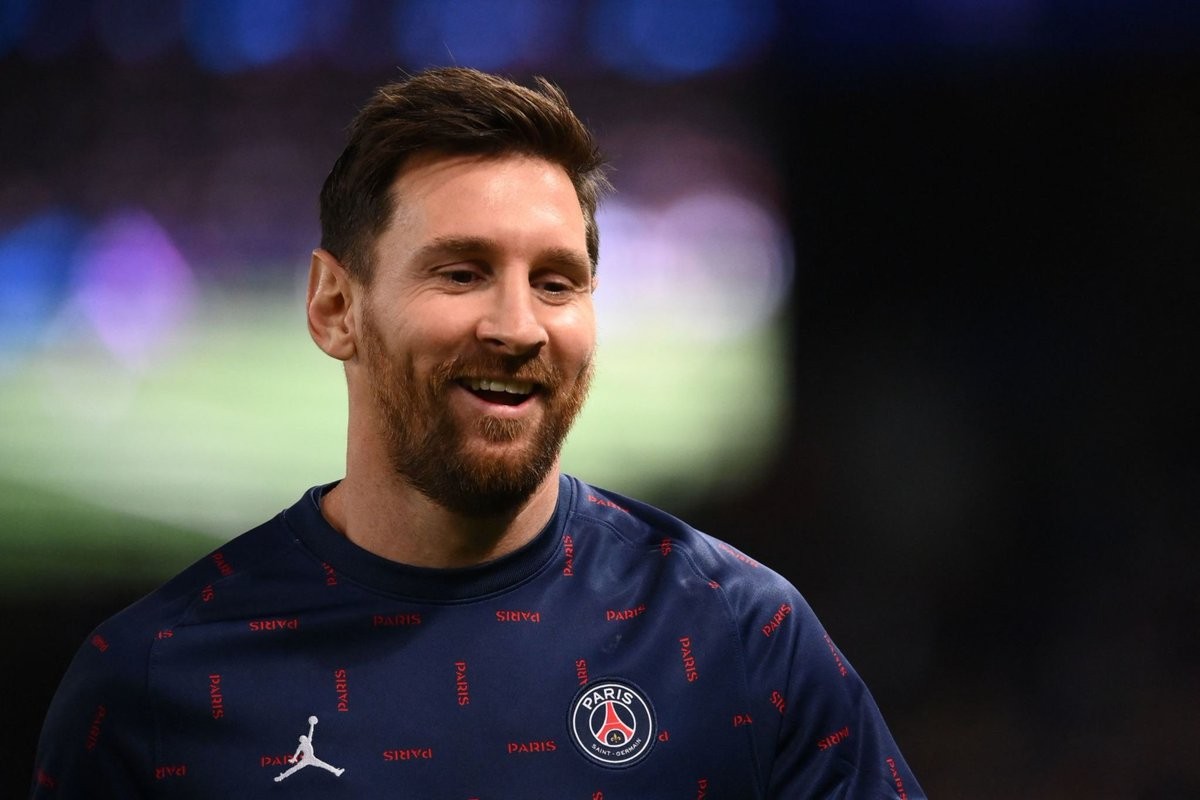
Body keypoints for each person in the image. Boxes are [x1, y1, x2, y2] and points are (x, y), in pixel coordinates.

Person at [31, 67, 925, 798]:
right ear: (335, 307)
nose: (519, 326)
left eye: (556, 283)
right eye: (461, 273)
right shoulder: (152, 684)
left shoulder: (741, 636)